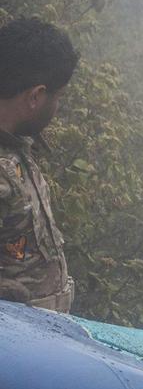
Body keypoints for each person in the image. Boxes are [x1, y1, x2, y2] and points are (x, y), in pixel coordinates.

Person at [0, 17, 79, 311]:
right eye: (56, 97)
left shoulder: (17, 144)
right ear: (35, 96)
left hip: (44, 337)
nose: (57, 107)